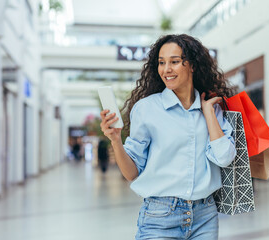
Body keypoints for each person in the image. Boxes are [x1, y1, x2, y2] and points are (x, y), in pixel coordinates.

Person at [100, 34, 236, 239]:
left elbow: (224, 158)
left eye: (174, 62)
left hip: (205, 216)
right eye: (161, 63)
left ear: (192, 65)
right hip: (159, 217)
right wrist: (116, 140)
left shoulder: (212, 108)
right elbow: (131, 173)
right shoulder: (146, 109)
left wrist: (208, 114)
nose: (166, 69)